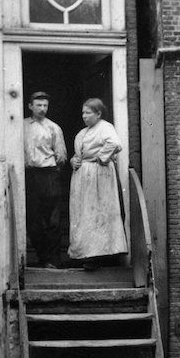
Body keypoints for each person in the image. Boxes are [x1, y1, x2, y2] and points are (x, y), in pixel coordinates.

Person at [68, 98, 128, 270]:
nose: (84, 116)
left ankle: (96, 257)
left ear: (98, 114)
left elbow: (115, 143)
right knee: (83, 214)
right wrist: (74, 161)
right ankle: (83, 254)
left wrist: (101, 158)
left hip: (99, 176)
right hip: (83, 178)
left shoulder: (105, 127)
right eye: (83, 113)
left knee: (97, 214)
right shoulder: (82, 132)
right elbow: (78, 154)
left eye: (88, 113)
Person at [23, 91, 67, 268]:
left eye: (45, 105)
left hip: (49, 175)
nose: (42, 109)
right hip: (29, 175)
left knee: (53, 221)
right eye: (38, 105)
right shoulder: (21, 125)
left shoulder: (53, 128)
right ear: (30, 106)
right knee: (34, 221)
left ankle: (54, 260)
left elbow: (61, 156)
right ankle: (42, 257)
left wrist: (53, 172)